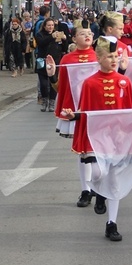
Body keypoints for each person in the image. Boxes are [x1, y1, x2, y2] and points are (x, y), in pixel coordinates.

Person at [61, 36, 132, 241]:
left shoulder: (124, 81)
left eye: (115, 56)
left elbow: (129, 111)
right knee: (97, 173)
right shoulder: (89, 83)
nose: (114, 60)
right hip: (97, 137)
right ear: (99, 58)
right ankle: (100, 192)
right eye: (109, 57)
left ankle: (111, 223)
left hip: (117, 138)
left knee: (114, 179)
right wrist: (74, 115)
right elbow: (85, 111)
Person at [45, 24, 97, 207]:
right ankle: (86, 190)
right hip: (76, 111)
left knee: (100, 150)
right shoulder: (67, 59)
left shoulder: (100, 57)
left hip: (97, 111)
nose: (87, 36)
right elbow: (62, 88)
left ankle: (99, 187)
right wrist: (52, 76)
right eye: (83, 34)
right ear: (74, 38)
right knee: (83, 151)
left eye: (90, 33)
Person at [35, 18, 67, 112]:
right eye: (48, 25)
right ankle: (44, 101)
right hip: (43, 61)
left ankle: (52, 102)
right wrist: (51, 37)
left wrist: (64, 40)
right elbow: (41, 43)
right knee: (44, 84)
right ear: (44, 26)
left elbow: (64, 48)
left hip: (55, 62)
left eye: (52, 25)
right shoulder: (39, 35)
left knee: (54, 83)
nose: (50, 27)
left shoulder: (58, 34)